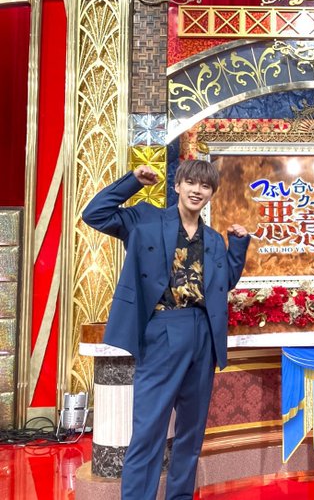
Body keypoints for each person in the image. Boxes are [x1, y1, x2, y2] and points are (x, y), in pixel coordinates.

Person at [83, 161, 250, 500]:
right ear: (177, 186)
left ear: (211, 194)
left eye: (205, 186)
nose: (197, 190)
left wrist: (238, 247)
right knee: (149, 430)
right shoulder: (146, 220)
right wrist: (133, 182)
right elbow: (94, 214)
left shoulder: (212, 239)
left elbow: (223, 283)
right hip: (162, 329)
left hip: (203, 334)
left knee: (191, 434)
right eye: (191, 182)